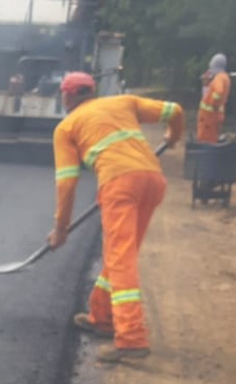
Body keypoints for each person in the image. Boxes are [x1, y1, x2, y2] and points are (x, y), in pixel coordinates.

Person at [49, 72, 184, 362]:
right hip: (152, 181)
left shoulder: (66, 127)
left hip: (120, 184)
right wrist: (173, 136)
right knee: (122, 252)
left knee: (120, 258)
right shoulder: (123, 102)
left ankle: (132, 339)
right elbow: (175, 111)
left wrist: (61, 228)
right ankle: (102, 316)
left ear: (68, 96)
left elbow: (67, 183)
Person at [197, 53, 231, 144]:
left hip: (209, 116)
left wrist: (213, 102)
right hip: (215, 115)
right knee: (213, 137)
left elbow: (218, 92)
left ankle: (206, 156)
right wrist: (207, 84)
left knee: (207, 140)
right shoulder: (225, 77)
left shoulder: (219, 78)